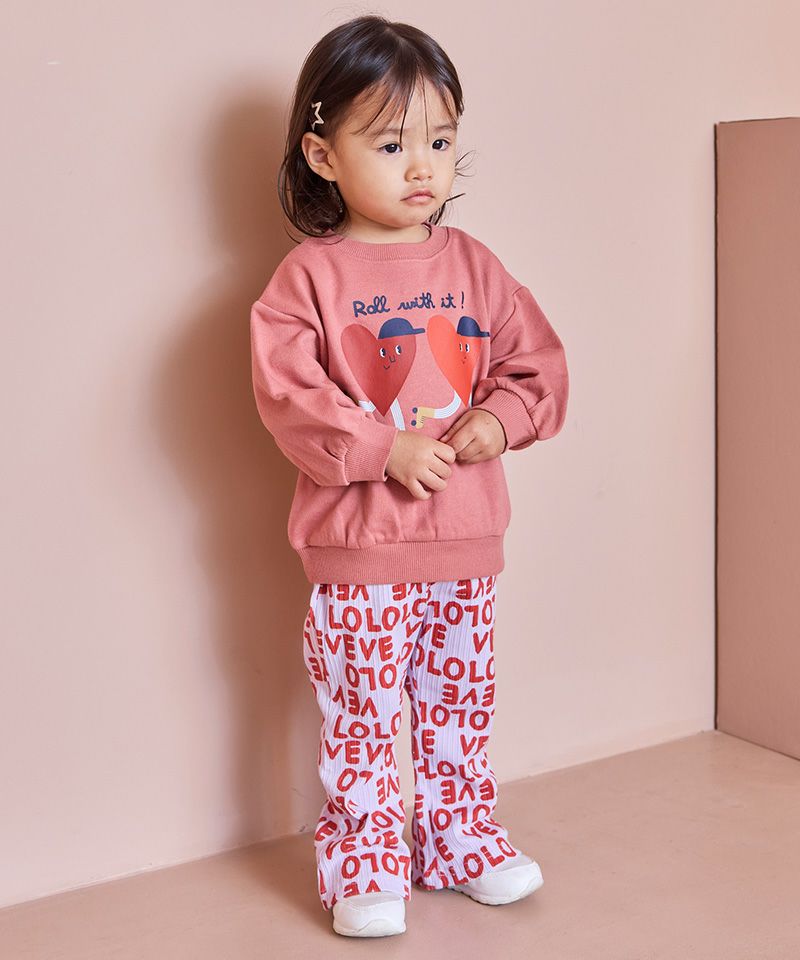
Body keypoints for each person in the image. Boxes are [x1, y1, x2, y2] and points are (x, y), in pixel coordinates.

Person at [249, 14, 569, 938]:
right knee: (362, 713)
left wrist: (499, 421)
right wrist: (382, 450)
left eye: (439, 139)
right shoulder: (307, 280)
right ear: (323, 155)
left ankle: (460, 839)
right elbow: (290, 396)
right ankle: (364, 860)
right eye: (390, 145)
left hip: (467, 546)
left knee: (458, 707)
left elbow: (537, 367)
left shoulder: (476, 267)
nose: (421, 165)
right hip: (360, 554)